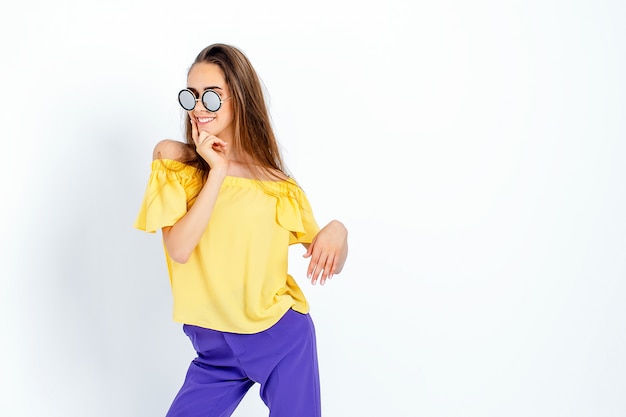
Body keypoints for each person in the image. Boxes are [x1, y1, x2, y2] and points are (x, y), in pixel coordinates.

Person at [133, 43, 348, 417]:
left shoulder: (277, 185)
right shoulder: (174, 162)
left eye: (212, 98)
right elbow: (180, 248)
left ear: (240, 101)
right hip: (214, 348)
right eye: (192, 96)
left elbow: (328, 256)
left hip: (279, 336)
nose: (199, 109)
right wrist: (216, 170)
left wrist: (338, 231)